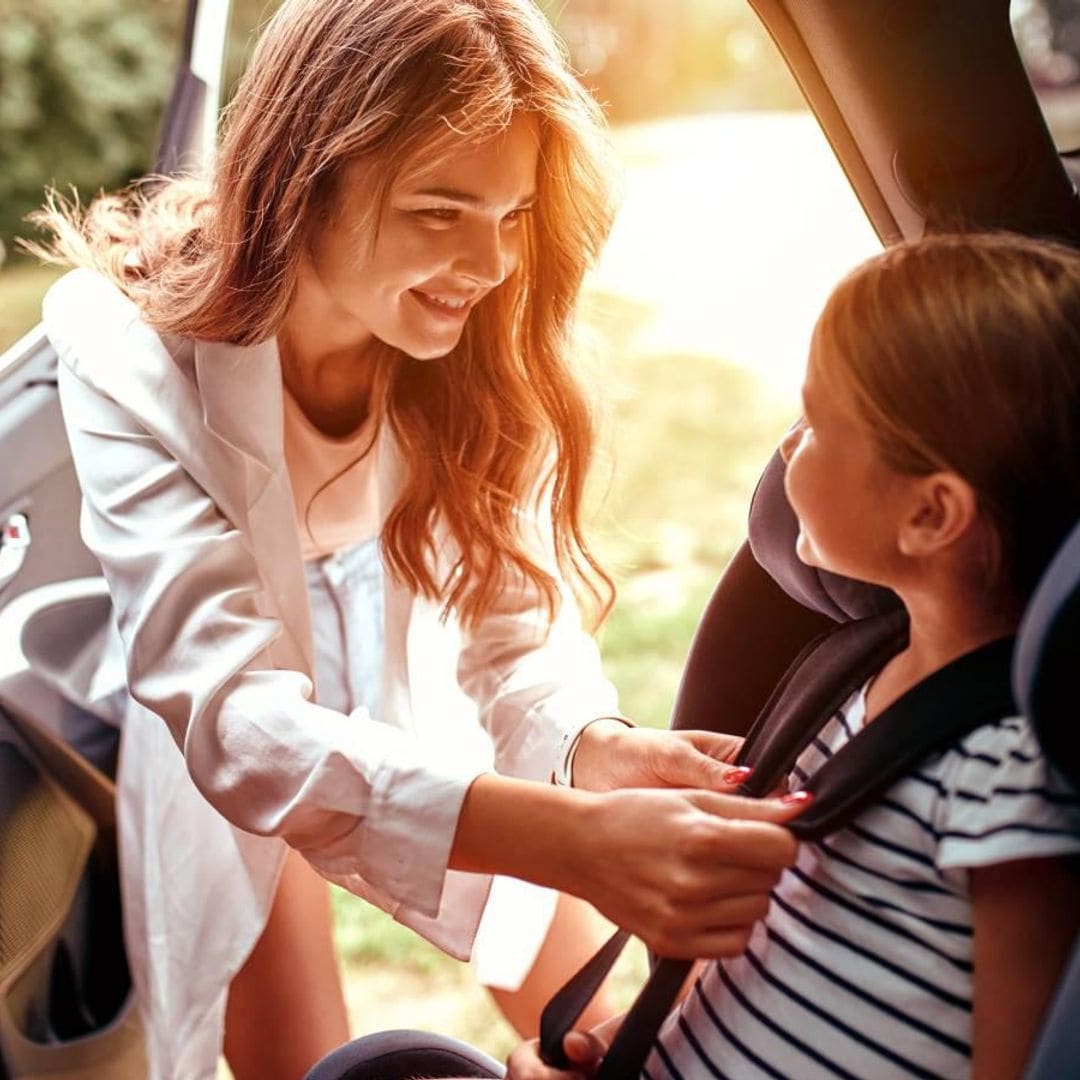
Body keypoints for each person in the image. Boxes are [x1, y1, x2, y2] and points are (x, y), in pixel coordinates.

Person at [28, 1, 802, 1077]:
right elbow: (240, 720)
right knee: (301, 1053)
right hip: (240, 693)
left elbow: (514, 623)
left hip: (414, 629)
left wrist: (589, 749)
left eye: (512, 213)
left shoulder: (485, 346)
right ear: (304, 177)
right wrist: (574, 838)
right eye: (441, 209)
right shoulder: (123, 350)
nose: (488, 264)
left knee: (602, 1038)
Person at [506, 232, 1080, 1080]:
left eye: (814, 422)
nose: (785, 445)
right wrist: (619, 1041)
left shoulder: (1006, 777)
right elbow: (756, 946)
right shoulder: (846, 674)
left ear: (930, 516)